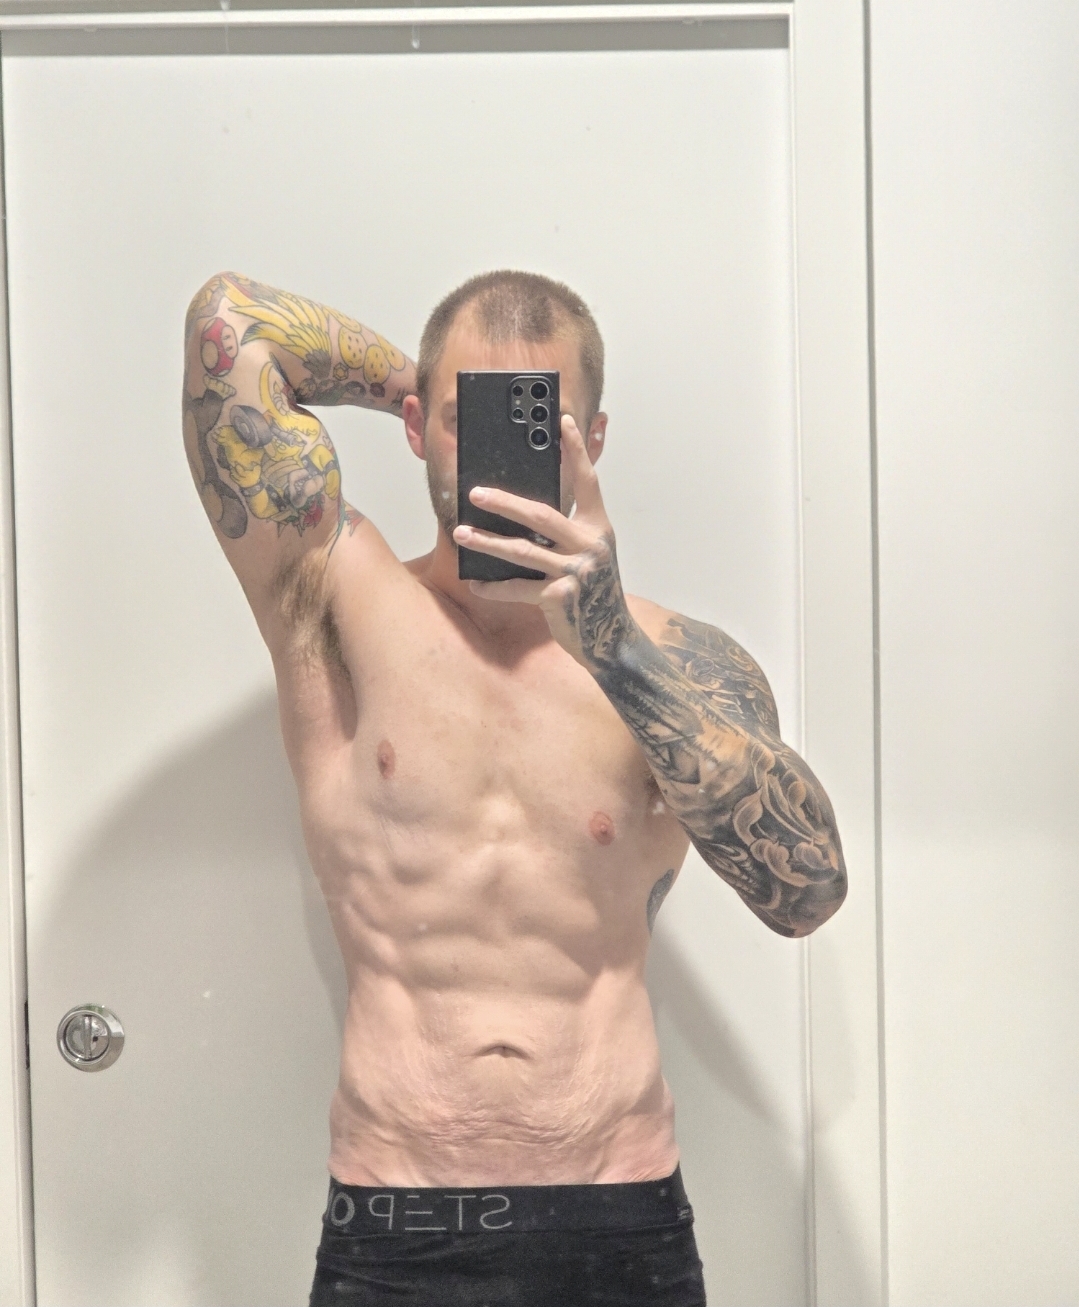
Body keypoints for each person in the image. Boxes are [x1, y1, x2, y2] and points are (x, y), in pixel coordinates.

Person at [182, 269, 847, 1306]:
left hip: (619, 1210)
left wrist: (612, 647)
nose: (498, 443)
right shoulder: (334, 595)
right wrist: (421, 386)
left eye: (540, 416)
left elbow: (803, 892)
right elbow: (230, 325)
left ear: (592, 437)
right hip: (394, 1220)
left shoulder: (673, 659)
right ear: (415, 426)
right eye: (468, 417)